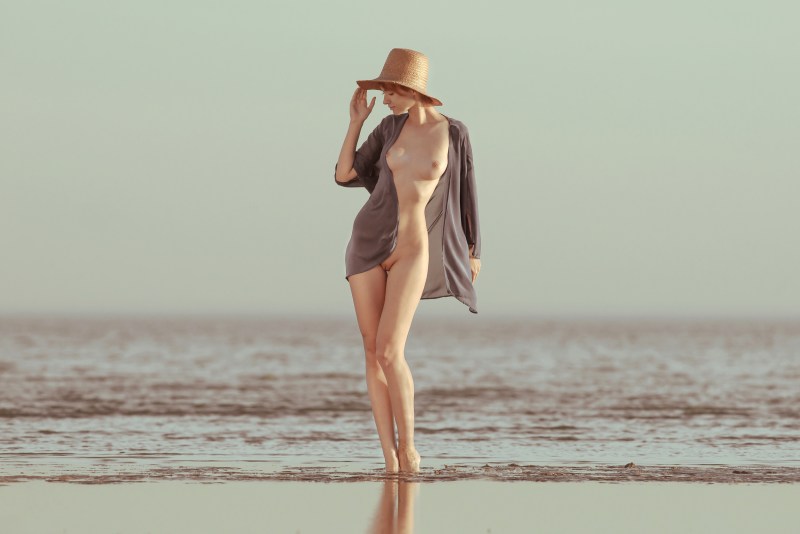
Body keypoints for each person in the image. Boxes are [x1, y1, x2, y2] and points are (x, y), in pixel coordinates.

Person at [334, 48, 482, 474]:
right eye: (383, 90)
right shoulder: (386, 127)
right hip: (368, 242)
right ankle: (390, 458)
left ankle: (411, 448)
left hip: (414, 248)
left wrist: (474, 249)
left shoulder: (453, 133)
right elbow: (345, 174)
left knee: (390, 350)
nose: (386, 98)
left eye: (391, 90)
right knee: (370, 351)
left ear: (412, 90)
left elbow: (468, 191)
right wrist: (355, 123)